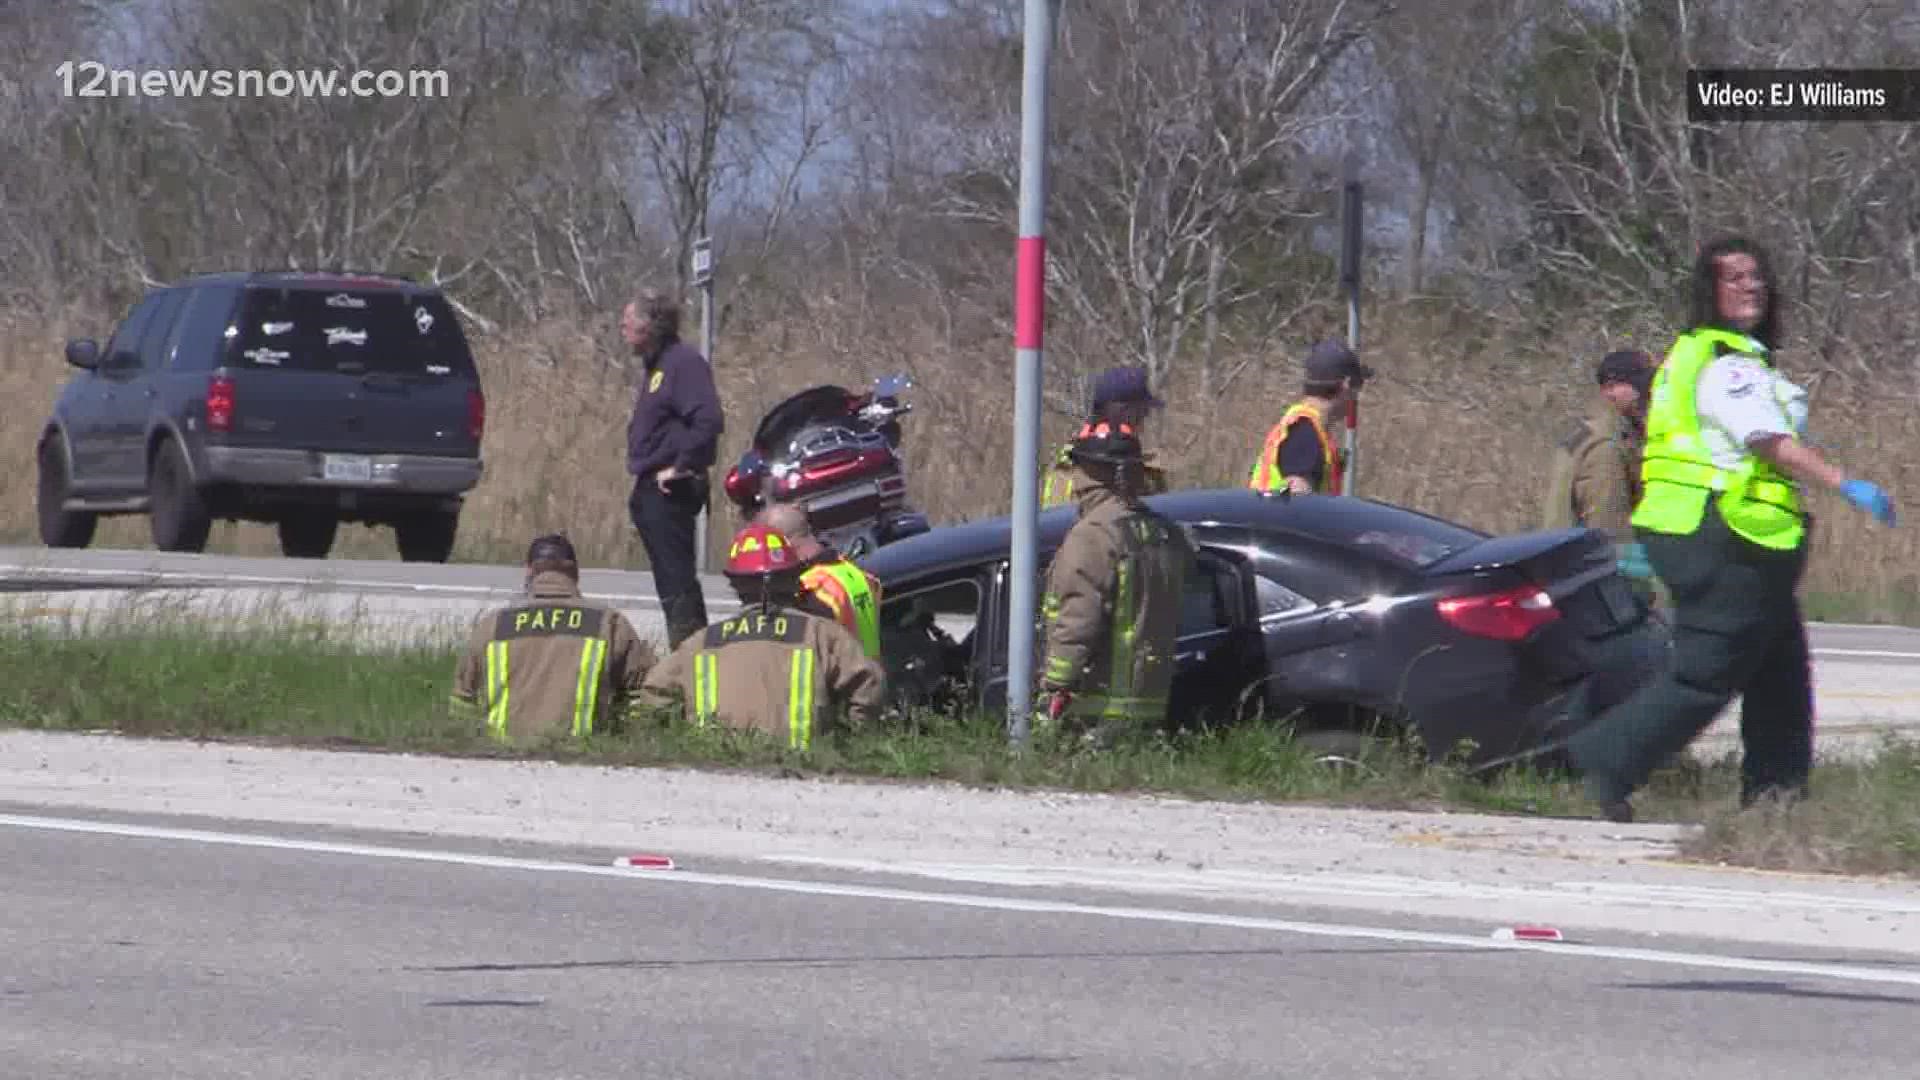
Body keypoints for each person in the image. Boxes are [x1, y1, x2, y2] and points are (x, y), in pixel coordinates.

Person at [1564, 235, 1898, 823]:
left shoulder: (1708, 354)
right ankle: (1602, 765)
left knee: (1780, 672)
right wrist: (1846, 483)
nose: (1752, 287)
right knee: (1707, 671)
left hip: (1739, 538)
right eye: (1735, 278)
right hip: (1719, 535)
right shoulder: (1727, 364)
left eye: (1757, 276)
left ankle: (1776, 799)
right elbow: (1766, 442)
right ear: (1709, 291)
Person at [642, 523, 887, 750]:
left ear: (736, 585)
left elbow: (654, 693)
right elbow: (871, 686)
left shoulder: (703, 642)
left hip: (717, 767)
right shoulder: (822, 634)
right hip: (806, 766)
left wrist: (674, 742)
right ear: (793, 578)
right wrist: (854, 741)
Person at [1035, 419, 1195, 746]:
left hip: (1098, 708)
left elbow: (1078, 619)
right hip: (1148, 703)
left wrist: (1055, 685)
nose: (1073, 481)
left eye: (1077, 468)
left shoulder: (1094, 535)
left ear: (1098, 474)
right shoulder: (1163, 531)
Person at [449, 533, 658, 742]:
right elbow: (644, 696)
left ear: (529, 571)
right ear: (575, 573)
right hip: (584, 758)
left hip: (502, 756)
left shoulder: (493, 625)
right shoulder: (609, 624)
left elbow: (462, 702)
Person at [623, 287, 725, 650]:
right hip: (651, 490)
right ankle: (683, 653)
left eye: (629, 321)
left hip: (672, 489)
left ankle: (692, 656)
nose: (623, 327)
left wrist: (682, 466)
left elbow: (708, 420)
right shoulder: (657, 367)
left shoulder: (683, 364)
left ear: (652, 325)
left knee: (678, 581)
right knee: (668, 581)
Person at [1542, 349, 1660, 601]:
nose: (1648, 393)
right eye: (1639, 385)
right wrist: (1639, 587)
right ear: (1610, 388)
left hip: (1570, 563)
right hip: (1595, 572)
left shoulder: (1591, 429)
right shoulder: (1607, 442)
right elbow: (1607, 521)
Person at [758, 499, 884, 660]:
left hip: (838, 682)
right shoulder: (854, 573)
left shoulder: (809, 592)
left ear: (781, 543)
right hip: (869, 678)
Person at [1248, 339, 1372, 495]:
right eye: (1358, 387)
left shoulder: (1303, 426)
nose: (1357, 396)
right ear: (1346, 386)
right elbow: (1296, 499)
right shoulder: (1304, 432)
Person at [1041, 365, 1171, 508]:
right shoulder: (1068, 472)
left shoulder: (1148, 472)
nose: (1144, 420)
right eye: (1142, 412)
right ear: (1124, 413)